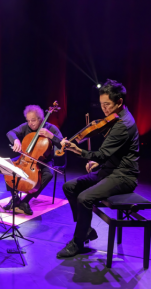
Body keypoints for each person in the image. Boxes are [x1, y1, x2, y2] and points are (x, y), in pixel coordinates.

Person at [57, 80, 140, 258]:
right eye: (101, 104)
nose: (104, 110)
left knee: (84, 198)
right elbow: (113, 153)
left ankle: (78, 242)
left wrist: (79, 151)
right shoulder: (117, 118)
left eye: (107, 105)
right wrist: (99, 163)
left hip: (123, 176)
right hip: (110, 170)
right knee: (69, 187)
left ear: (119, 102)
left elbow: (102, 154)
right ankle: (86, 229)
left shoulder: (123, 125)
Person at [4, 105, 64, 214]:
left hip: (44, 160)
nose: (30, 123)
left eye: (33, 120)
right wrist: (16, 140)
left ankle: (26, 201)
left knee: (49, 174)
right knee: (8, 166)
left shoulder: (51, 128)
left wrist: (50, 136)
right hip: (26, 157)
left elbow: (62, 144)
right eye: (28, 120)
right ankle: (15, 198)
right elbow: (10, 133)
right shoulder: (26, 127)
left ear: (40, 120)